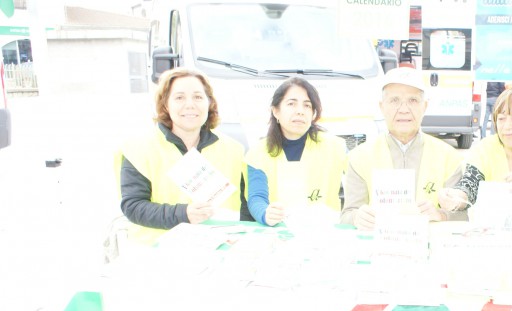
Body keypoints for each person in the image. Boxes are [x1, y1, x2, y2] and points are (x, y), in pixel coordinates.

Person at [119, 67, 248, 244]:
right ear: (165, 104)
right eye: (179, 97)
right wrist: (182, 214)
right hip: (157, 249)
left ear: (209, 102)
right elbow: (133, 206)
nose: (190, 105)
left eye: (198, 97)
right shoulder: (139, 148)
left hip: (219, 247)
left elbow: (245, 205)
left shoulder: (233, 149)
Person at [340, 67, 466, 230]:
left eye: (413, 100)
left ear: (425, 106)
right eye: (394, 100)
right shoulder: (360, 157)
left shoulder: (448, 157)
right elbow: (347, 215)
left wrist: (441, 215)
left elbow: (463, 216)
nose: (404, 109)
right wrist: (357, 217)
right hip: (378, 243)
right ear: (382, 106)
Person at [246, 77, 347, 226]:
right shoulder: (258, 152)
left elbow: (358, 186)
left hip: (324, 232)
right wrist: (265, 213)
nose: (300, 111)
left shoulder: (335, 147)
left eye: (307, 105)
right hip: (277, 233)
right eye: (291, 104)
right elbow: (257, 197)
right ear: (276, 111)